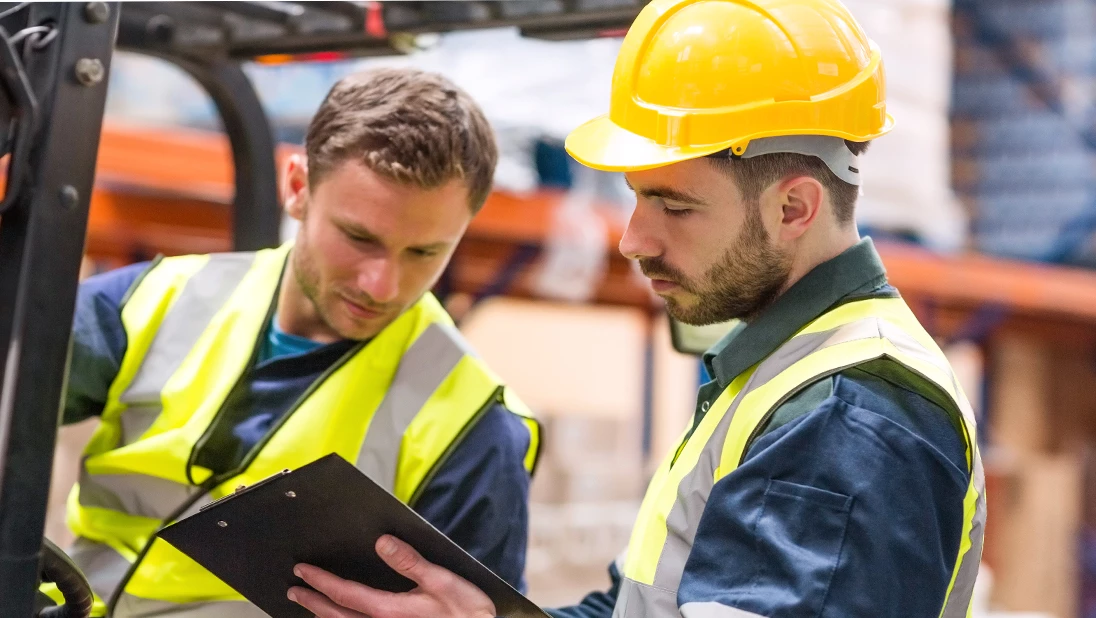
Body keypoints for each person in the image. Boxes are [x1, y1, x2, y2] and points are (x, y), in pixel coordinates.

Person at [287, 1, 985, 617]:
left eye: (673, 206)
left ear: (794, 208)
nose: (633, 240)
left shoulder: (844, 418)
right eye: (637, 196)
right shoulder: (777, 379)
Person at [47, 67, 540, 617]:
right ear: (298, 188)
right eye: (359, 237)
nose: (381, 285)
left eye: (424, 252)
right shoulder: (150, 302)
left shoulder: (476, 428)